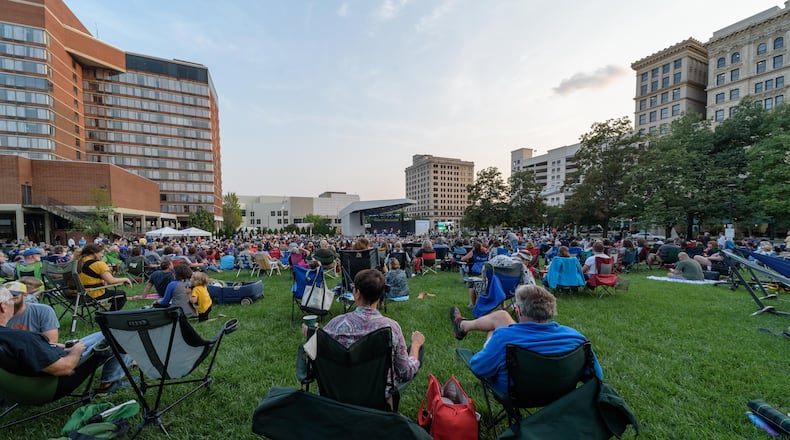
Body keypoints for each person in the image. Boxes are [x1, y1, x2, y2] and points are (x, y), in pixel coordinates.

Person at [449, 285, 603, 394]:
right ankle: (462, 325)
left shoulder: (504, 338)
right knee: (500, 319)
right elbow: (596, 377)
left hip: (515, 394)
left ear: (518, 310)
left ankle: (462, 325)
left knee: (495, 329)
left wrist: (490, 340)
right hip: (561, 393)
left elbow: (479, 368)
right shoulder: (576, 338)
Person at [306, 269, 424, 396]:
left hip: (336, 393)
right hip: (377, 397)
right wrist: (416, 345)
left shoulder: (335, 324)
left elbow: (313, 366)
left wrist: (312, 337)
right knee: (417, 349)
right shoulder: (391, 328)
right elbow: (405, 372)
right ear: (380, 295)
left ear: (357, 293)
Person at [0, 286, 129, 394]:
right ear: (3, 307)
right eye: (11, 299)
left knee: (104, 333)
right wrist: (76, 351)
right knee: (119, 333)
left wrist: (58, 346)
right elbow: (64, 368)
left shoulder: (10, 338)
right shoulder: (21, 338)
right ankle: (109, 383)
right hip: (50, 384)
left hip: (18, 385)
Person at [77, 243, 131, 311]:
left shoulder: (78, 262)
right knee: (121, 294)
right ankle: (108, 316)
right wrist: (126, 279)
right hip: (93, 295)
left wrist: (101, 280)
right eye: (101, 253)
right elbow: (111, 281)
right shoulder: (98, 264)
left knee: (107, 291)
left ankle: (102, 311)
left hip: (78, 296)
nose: (102, 255)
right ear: (94, 253)